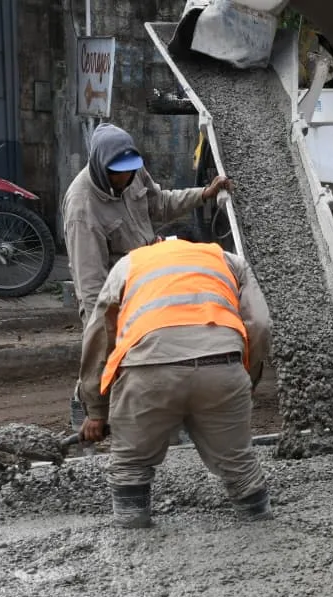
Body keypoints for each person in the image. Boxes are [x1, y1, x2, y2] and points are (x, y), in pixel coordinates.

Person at [76, 225, 273, 529]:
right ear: (201, 245)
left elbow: (101, 335)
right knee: (240, 466)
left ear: (157, 243)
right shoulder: (228, 260)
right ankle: (263, 531)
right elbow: (259, 324)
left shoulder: (131, 262)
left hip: (147, 371)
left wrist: (96, 410)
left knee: (130, 466)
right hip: (222, 368)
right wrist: (245, 378)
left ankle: (130, 543)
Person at [61, 123, 232, 432]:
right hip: (113, 289)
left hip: (147, 277)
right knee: (112, 351)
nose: (126, 178)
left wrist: (204, 194)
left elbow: (160, 204)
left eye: (130, 170)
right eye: (119, 173)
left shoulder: (133, 171)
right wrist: (103, 329)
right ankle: (87, 406)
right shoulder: (81, 208)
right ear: (101, 166)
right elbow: (91, 288)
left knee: (154, 348)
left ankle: (155, 419)